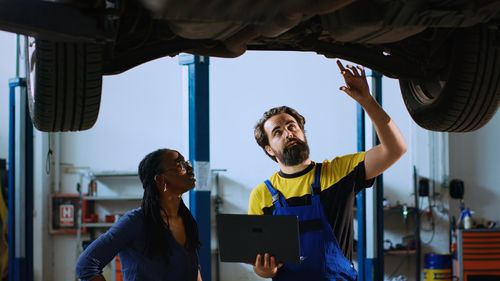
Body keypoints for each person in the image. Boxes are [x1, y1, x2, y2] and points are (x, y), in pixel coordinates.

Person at [248, 60, 407, 281]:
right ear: (269, 149)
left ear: (303, 132)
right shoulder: (262, 195)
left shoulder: (338, 172)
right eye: (277, 132)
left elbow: (395, 148)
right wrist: (264, 271)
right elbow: (261, 262)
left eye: (292, 126)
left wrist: (367, 101)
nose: (288, 133)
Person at [76, 148, 202, 281]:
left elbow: (193, 269)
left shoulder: (187, 220)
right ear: (160, 179)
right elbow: (85, 265)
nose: (189, 167)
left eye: (187, 162)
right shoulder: (135, 221)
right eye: (180, 164)